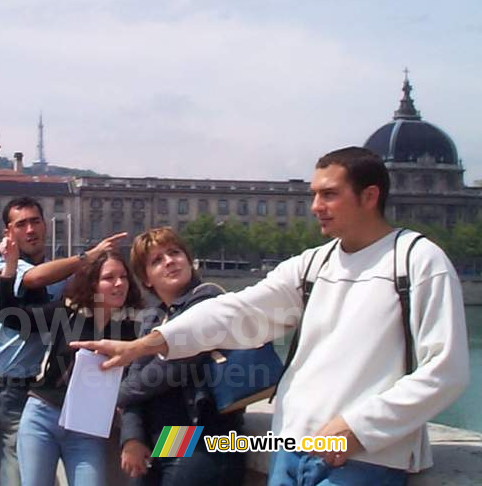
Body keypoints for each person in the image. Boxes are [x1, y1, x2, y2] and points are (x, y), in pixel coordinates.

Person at [74, 147, 470, 486]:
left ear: (369, 196)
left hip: (359, 453)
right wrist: (145, 345)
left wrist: (356, 427)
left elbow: (445, 372)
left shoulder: (417, 260)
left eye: (329, 195)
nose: (315, 206)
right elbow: (241, 311)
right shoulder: (312, 264)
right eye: (315, 194)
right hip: (290, 446)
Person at [0, 195, 126, 486]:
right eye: (21, 224)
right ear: (8, 232)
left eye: (35, 221)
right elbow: (26, 289)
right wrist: (90, 255)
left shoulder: (67, 283)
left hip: (31, 397)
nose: (30, 230)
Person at [0, 247, 142, 486]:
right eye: (109, 278)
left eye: (123, 277)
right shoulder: (69, 311)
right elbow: (9, 317)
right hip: (43, 416)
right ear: (92, 283)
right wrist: (9, 269)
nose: (119, 284)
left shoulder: (133, 329)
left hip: (86, 429)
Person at [116, 227, 245, 485]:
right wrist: (132, 437)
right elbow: (136, 379)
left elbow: (168, 369)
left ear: (188, 259)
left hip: (207, 437)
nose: (169, 261)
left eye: (174, 253)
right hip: (168, 437)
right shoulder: (153, 316)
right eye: (157, 260)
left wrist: (111, 395)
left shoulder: (209, 302)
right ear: (147, 279)